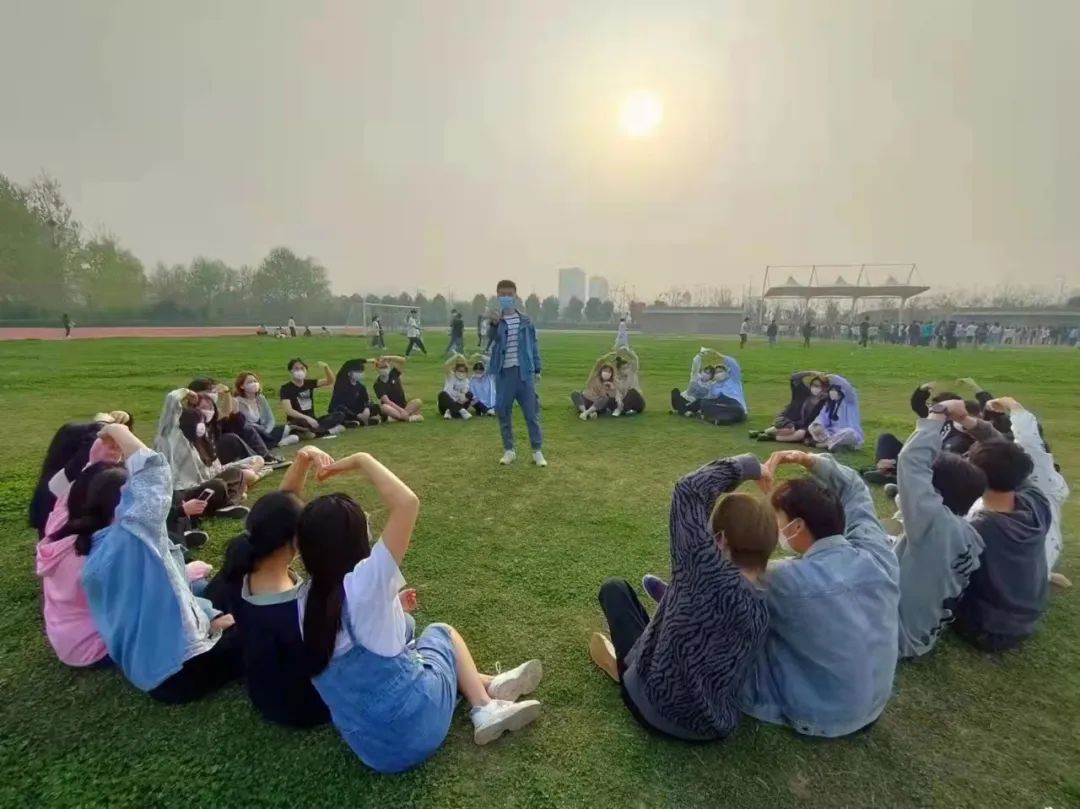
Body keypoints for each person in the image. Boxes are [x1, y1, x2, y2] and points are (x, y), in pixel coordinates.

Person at [297, 452, 543, 772]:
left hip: (374, 751)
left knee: (408, 630)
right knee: (441, 633)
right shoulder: (366, 582)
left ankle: (492, 683)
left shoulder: (305, 599)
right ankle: (485, 707)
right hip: (416, 729)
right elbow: (406, 503)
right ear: (353, 540)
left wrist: (392, 606)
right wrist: (361, 460)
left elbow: (354, 632)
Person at [589, 453, 775, 740]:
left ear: (721, 540)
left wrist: (751, 467)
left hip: (656, 709)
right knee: (686, 602)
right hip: (711, 727)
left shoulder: (704, 569)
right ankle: (672, 599)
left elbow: (689, 489)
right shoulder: (763, 610)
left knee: (615, 590)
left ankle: (629, 661)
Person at [740, 450, 900, 737]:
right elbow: (855, 488)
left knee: (735, 637)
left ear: (797, 526)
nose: (773, 524)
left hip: (819, 715)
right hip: (874, 704)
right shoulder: (878, 553)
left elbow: (724, 577)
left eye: (775, 517)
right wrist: (807, 459)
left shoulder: (784, 579)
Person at [82, 423, 242, 703]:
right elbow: (153, 472)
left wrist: (212, 618)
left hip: (151, 670)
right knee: (267, 624)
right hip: (181, 672)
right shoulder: (135, 538)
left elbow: (172, 601)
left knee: (230, 578)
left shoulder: (96, 550)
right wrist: (118, 429)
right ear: (123, 505)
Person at [213, 446, 335, 727]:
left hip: (263, 694)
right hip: (306, 708)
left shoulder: (239, 570)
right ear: (295, 541)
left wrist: (303, 459)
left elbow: (280, 511)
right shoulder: (299, 606)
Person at [951, 403, 1051, 651]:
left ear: (976, 477)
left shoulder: (977, 529)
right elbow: (1006, 454)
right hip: (1026, 620)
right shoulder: (1036, 501)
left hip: (985, 628)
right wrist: (966, 420)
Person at [892, 400, 988, 658]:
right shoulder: (968, 534)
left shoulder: (934, 522)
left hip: (893, 635)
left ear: (934, 493)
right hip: (921, 636)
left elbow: (911, 461)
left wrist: (937, 414)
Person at [36, 438, 124, 667]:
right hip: (93, 646)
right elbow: (140, 596)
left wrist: (98, 457)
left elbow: (81, 483)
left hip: (67, 640)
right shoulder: (98, 556)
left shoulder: (58, 524)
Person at [154, 387, 262, 514]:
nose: (201, 425)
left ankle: (228, 505)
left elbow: (209, 473)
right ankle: (225, 499)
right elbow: (171, 399)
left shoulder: (201, 441)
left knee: (235, 474)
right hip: (182, 493)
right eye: (197, 420)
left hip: (203, 485)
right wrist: (188, 393)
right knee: (217, 485)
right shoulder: (171, 436)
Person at [487, 279, 546, 467]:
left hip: (524, 373)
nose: (506, 297)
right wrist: (494, 324)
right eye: (502, 295)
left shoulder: (526, 321)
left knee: (531, 413)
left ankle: (537, 451)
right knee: (503, 412)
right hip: (504, 374)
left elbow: (533, 345)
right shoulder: (497, 321)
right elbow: (490, 340)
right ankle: (509, 450)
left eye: (509, 294)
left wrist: (537, 368)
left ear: (515, 296)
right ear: (498, 296)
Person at [749, 371, 828, 443]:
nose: (815, 388)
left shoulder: (825, 402)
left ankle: (771, 437)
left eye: (819, 386)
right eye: (814, 385)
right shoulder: (803, 392)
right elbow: (794, 377)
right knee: (790, 429)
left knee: (800, 434)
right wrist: (811, 373)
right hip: (789, 419)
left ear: (825, 388)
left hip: (805, 426)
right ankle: (763, 432)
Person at [279, 358, 346, 438]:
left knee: (339, 414)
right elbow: (288, 410)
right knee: (302, 423)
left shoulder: (309, 383)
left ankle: (314, 433)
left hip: (313, 420)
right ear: (291, 371)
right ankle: (324, 432)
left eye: (302, 368)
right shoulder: (286, 388)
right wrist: (307, 418)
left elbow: (330, 381)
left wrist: (326, 367)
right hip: (299, 420)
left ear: (306, 370)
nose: (300, 371)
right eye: (296, 369)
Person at [232, 371, 301, 450]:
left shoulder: (261, 398)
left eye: (255, 381)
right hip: (251, 433)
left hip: (265, 431)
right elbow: (243, 424)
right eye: (249, 382)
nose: (254, 384)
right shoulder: (237, 401)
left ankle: (271, 443)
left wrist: (267, 431)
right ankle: (274, 443)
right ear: (242, 386)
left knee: (288, 430)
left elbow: (271, 419)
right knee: (252, 438)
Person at [807, 375, 863, 451]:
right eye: (831, 390)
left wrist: (830, 376)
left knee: (849, 432)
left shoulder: (849, 402)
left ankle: (823, 444)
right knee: (813, 426)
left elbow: (847, 387)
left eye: (835, 391)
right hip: (831, 434)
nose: (832, 393)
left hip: (847, 434)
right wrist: (818, 425)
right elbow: (821, 419)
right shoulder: (829, 405)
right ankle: (832, 444)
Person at [372, 355, 424, 422]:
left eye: (385, 367)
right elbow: (387, 401)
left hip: (403, 405)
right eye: (381, 368)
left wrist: (388, 358)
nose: (384, 370)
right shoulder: (377, 384)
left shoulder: (393, 373)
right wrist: (401, 410)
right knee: (384, 407)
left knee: (418, 401)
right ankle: (408, 418)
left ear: (389, 367)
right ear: (377, 369)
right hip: (391, 407)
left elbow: (403, 361)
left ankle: (398, 418)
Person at [698, 354, 747, 425]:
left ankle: (714, 417)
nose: (719, 374)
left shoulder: (734, 380)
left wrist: (720, 356)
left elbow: (734, 365)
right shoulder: (713, 385)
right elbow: (709, 399)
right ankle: (721, 419)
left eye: (721, 371)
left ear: (726, 372)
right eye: (717, 372)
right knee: (704, 402)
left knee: (737, 409)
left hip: (735, 407)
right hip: (721, 406)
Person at [329, 359, 379, 427]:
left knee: (375, 407)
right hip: (342, 409)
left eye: (361, 372)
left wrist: (366, 409)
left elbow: (365, 400)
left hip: (354, 409)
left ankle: (359, 420)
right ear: (349, 373)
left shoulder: (361, 387)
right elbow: (348, 363)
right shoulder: (341, 383)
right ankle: (357, 420)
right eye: (358, 372)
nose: (360, 374)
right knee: (341, 411)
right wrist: (367, 361)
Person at [670, 349, 717, 417]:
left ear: (711, 376)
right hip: (682, 399)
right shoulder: (695, 377)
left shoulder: (711, 385)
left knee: (701, 401)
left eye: (708, 373)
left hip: (693, 404)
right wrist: (701, 354)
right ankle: (684, 411)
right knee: (675, 391)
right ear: (702, 372)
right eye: (705, 372)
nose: (705, 374)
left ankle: (681, 410)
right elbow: (695, 365)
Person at [438, 355, 475, 420]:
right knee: (442, 394)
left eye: (463, 371)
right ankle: (460, 411)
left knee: (470, 394)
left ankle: (450, 412)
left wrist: (465, 360)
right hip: (445, 406)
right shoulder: (451, 376)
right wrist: (456, 356)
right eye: (459, 371)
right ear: (455, 371)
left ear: (465, 372)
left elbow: (469, 368)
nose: (461, 373)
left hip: (459, 403)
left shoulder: (466, 381)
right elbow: (446, 365)